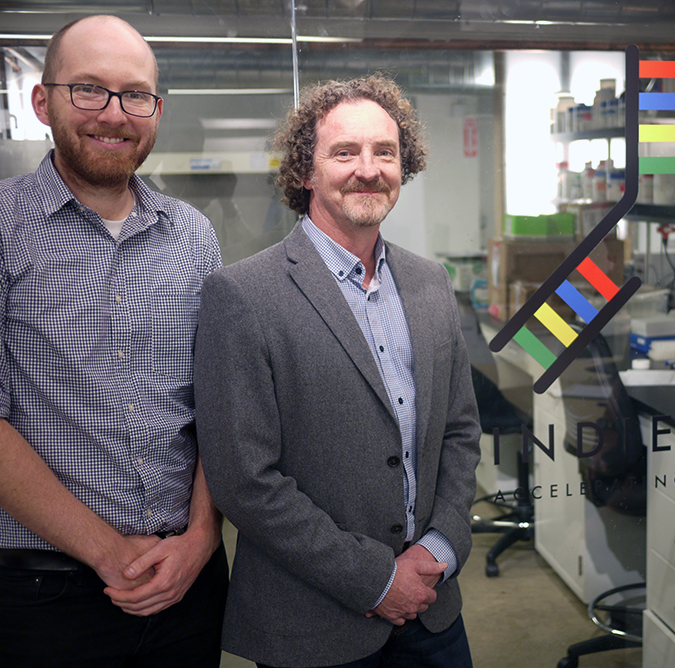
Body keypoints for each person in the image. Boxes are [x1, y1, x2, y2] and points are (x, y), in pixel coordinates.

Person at [193, 74, 482, 668]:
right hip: (313, 628)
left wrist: (441, 546)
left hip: (433, 613)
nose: (368, 169)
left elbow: (459, 432)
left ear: (405, 165)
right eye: (344, 152)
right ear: (306, 171)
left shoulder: (430, 283)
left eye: (385, 151)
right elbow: (245, 479)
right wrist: (377, 579)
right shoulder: (244, 295)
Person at [0, 14, 227, 668]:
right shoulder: (7, 228)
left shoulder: (193, 237)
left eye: (135, 95)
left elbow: (217, 406)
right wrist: (108, 552)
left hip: (187, 581)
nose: (115, 114)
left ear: (157, 110)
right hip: (44, 595)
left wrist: (203, 537)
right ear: (42, 101)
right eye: (89, 90)